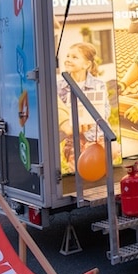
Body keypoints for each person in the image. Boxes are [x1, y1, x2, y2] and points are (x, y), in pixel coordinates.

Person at [57, 42, 111, 175]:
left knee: (107, 157)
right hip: (73, 136)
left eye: (74, 57)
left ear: (86, 64)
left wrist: (90, 127)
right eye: (68, 56)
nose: (68, 59)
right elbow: (59, 114)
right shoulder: (59, 86)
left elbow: (105, 111)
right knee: (78, 170)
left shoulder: (99, 85)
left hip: (96, 134)